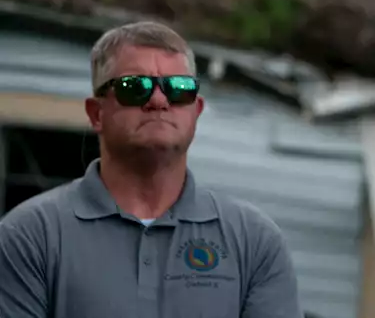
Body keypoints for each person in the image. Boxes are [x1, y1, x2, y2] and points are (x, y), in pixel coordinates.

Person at [0, 20, 303, 318]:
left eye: (178, 88)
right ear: (96, 113)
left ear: (195, 112)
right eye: (135, 87)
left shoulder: (255, 241)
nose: (158, 100)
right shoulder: (27, 237)